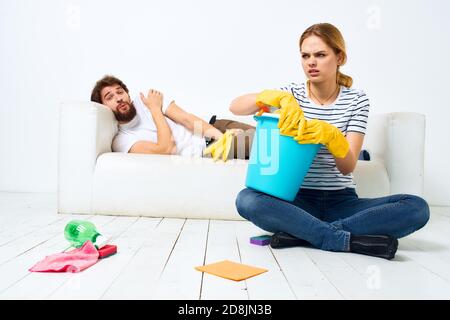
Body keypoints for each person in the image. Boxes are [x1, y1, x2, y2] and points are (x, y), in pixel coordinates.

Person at [230, 23, 430, 260]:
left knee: (417, 207)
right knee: (247, 199)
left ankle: (304, 233)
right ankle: (337, 236)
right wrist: (273, 97)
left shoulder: (356, 101)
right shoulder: (291, 96)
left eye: (320, 55)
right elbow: (235, 106)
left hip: (342, 201)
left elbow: (347, 166)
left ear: (339, 57)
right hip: (296, 200)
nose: (311, 62)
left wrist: (332, 136)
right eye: (305, 56)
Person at [90, 75, 255, 159]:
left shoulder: (146, 99)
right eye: (109, 97)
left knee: (275, 132)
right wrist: (155, 109)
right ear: (103, 107)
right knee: (268, 142)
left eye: (120, 92)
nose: (118, 98)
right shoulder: (122, 141)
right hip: (207, 149)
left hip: (214, 126)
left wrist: (223, 137)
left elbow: (187, 119)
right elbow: (166, 148)